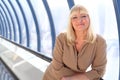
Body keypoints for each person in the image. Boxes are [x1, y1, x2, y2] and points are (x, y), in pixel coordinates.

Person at [43, 4, 107, 80]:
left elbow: (99, 71)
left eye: (83, 16)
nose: (79, 20)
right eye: (74, 17)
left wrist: (72, 78)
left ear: (89, 18)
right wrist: (82, 77)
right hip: (52, 77)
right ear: (71, 22)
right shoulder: (61, 38)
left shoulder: (100, 42)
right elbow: (56, 67)